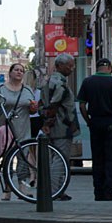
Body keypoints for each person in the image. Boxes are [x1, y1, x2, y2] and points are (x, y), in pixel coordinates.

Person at [77, 57, 112, 201]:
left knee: (97, 159)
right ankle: (109, 192)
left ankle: (98, 192)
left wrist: (88, 121)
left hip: (96, 123)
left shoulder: (87, 82)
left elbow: (81, 106)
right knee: (111, 158)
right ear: (110, 68)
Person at [40, 53, 78, 201]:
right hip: (61, 126)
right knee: (60, 158)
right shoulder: (59, 83)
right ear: (59, 66)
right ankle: (55, 191)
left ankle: (56, 190)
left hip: (57, 125)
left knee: (56, 158)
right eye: (69, 65)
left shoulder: (50, 80)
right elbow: (54, 104)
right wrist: (49, 122)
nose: (72, 68)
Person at [0, 63, 36, 200]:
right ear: (10, 72)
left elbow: (32, 110)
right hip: (6, 128)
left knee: (23, 158)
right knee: (7, 158)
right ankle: (7, 188)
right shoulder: (1, 89)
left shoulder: (27, 90)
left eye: (21, 70)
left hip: (23, 127)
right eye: (16, 70)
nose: (19, 72)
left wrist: (33, 108)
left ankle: (22, 187)